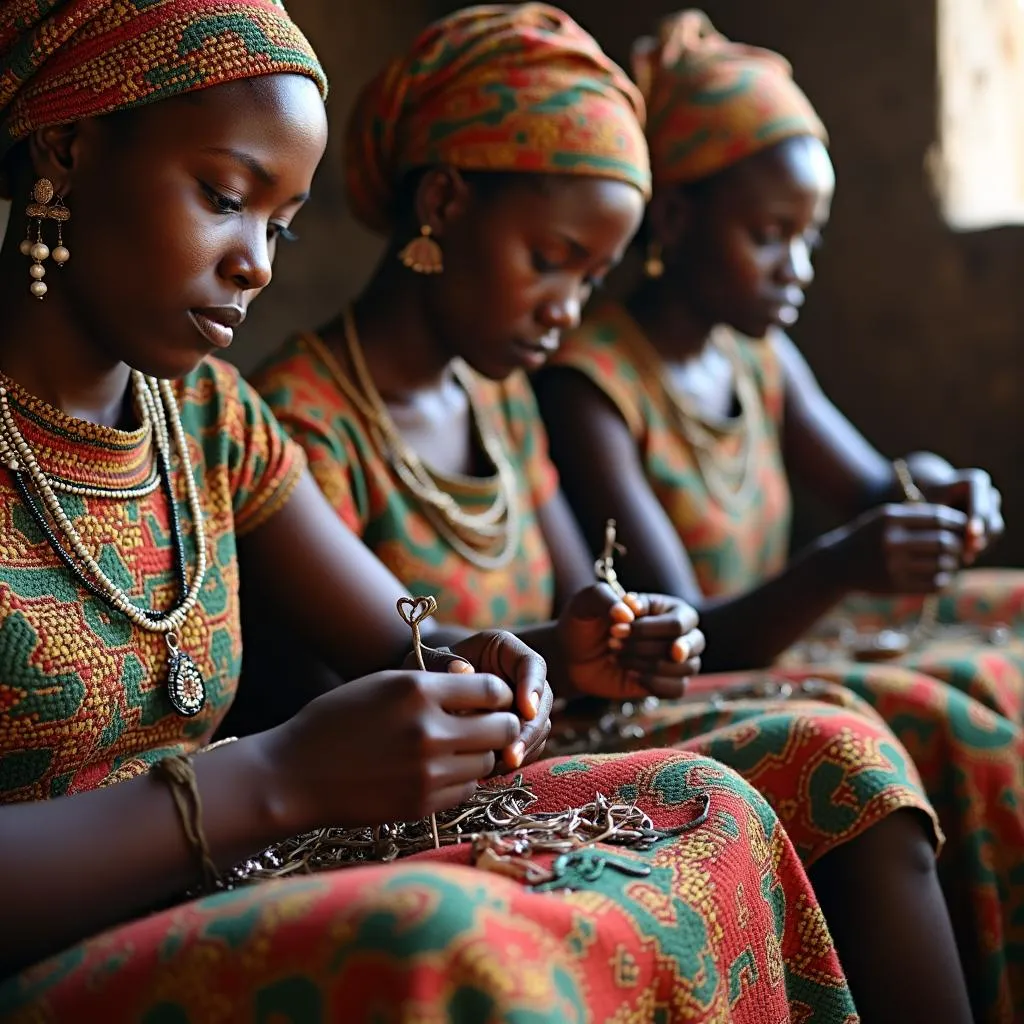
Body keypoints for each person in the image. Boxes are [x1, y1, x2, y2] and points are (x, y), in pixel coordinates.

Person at [0, 3, 853, 1022]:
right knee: (442, 947)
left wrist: (539, 656)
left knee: (703, 803)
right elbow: (286, 759)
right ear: (67, 144)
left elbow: (405, 641)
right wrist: (269, 780)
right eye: (224, 197)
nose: (257, 263)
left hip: (221, 867)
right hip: (61, 937)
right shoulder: (294, 404)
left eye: (279, 224)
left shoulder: (208, 416)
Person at [252, 5, 974, 1020]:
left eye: (590, 277)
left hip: (540, 731)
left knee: (849, 751)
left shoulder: (496, 396)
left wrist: (620, 634)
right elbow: (332, 689)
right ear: (446, 201)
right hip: (409, 787)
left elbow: (582, 602)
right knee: (826, 754)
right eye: (550, 258)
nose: (565, 306)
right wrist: (563, 659)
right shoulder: (300, 419)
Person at [535, 10, 1024, 1021]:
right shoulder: (594, 385)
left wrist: (933, 488)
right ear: (670, 224)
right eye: (768, 236)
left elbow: (872, 486)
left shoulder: (759, 357)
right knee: (942, 700)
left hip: (788, 626)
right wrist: (843, 561)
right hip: (716, 658)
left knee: (1009, 619)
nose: (795, 267)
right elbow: (687, 630)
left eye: (807, 238)